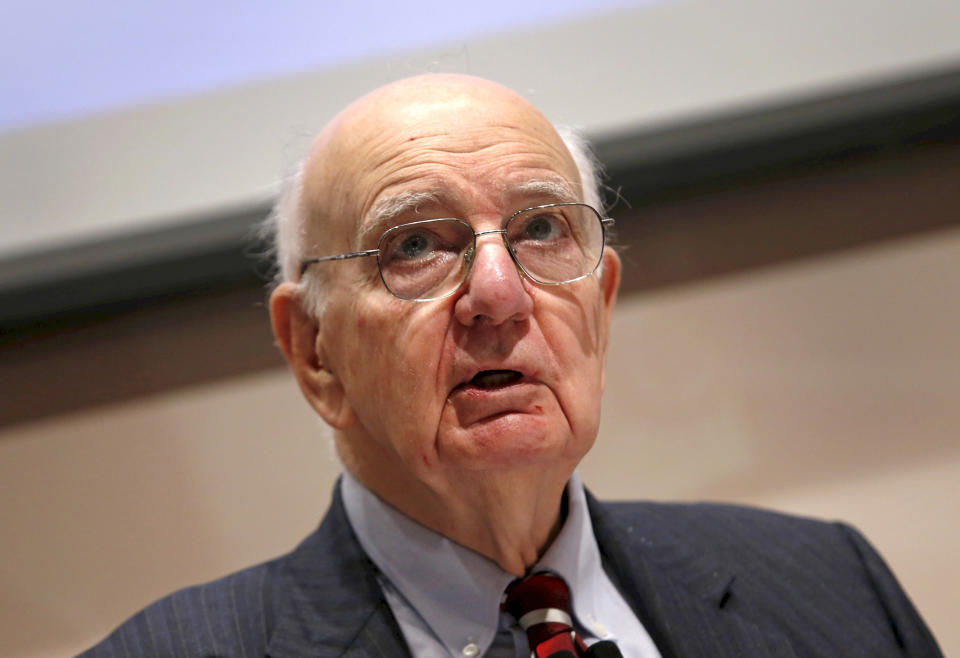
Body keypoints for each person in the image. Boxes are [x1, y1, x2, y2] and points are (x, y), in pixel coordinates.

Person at [80, 74, 943, 657]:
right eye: (414, 244)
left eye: (540, 229)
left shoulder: (833, 587)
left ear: (599, 305)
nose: (499, 293)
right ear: (314, 352)